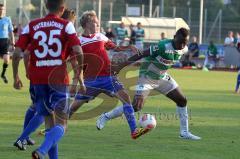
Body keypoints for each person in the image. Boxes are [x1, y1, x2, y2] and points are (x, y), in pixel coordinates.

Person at [97, 28, 201, 140]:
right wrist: (120, 67)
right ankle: (106, 116)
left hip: (162, 77)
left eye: (184, 43)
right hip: (147, 76)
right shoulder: (163, 46)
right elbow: (141, 54)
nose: (181, 45)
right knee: (137, 106)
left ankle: (184, 132)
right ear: (174, 37)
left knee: (182, 100)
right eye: (180, 42)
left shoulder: (184, 48)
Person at [12, 0, 85, 158]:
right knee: (62, 125)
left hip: (38, 81)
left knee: (49, 123)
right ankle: (42, 150)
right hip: (58, 80)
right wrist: (82, 69)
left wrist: (15, 76)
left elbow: (18, 53)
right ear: (62, 8)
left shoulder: (31, 25)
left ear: (46, 6)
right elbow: (78, 50)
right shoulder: (66, 25)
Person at [69, 10, 153, 139]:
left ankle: (134, 131)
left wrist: (129, 47)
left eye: (98, 23)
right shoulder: (78, 41)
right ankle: (52, 128)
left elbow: (115, 47)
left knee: (126, 98)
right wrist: (77, 81)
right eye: (95, 23)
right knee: (72, 108)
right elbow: (75, 62)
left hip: (109, 77)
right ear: (86, 24)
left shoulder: (101, 36)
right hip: (91, 81)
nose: (98, 25)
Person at [0, 3, 15, 83]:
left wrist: (13, 42)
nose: (1, 11)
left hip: (5, 41)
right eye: (0, 9)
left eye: (2, 9)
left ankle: (2, 74)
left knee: (6, 60)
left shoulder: (7, 19)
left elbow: (11, 32)